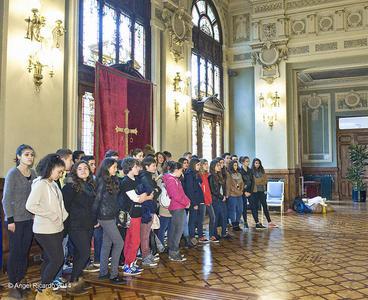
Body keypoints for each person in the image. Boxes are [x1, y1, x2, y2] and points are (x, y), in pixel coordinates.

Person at [26, 154, 68, 300]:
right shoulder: (40, 184)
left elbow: (59, 205)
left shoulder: (53, 184)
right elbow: (30, 205)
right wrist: (51, 215)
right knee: (57, 259)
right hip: (44, 230)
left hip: (56, 228)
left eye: (62, 172)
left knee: (50, 259)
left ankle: (45, 290)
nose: (61, 174)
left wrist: (63, 217)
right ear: (50, 169)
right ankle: (42, 292)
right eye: (59, 171)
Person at [2, 144, 37, 298]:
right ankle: (13, 285)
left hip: (29, 219)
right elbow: (6, 199)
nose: (30, 157)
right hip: (15, 220)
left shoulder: (34, 173)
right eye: (26, 154)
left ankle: (21, 280)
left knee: (24, 252)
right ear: (18, 157)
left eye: (31, 154)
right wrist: (10, 220)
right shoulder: (12, 174)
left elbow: (36, 196)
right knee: (15, 252)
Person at [62, 161, 96, 293]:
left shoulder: (90, 185)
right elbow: (65, 207)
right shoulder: (70, 187)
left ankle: (78, 279)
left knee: (79, 253)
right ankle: (73, 282)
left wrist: (94, 220)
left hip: (88, 224)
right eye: (80, 168)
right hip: (75, 225)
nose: (83, 170)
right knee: (85, 253)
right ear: (74, 171)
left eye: (86, 168)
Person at [93, 158, 125, 283]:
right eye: (114, 167)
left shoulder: (112, 180)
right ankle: (114, 274)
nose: (116, 170)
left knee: (107, 244)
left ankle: (103, 272)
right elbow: (96, 201)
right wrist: (95, 218)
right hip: (104, 217)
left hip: (111, 216)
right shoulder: (101, 182)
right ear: (107, 168)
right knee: (119, 243)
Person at [119, 158, 153, 275]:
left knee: (133, 240)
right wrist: (146, 196)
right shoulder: (126, 182)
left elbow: (148, 192)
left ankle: (130, 263)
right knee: (133, 240)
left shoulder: (136, 180)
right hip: (131, 214)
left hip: (138, 213)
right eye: (135, 167)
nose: (138, 168)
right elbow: (137, 199)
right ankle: (128, 264)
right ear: (129, 168)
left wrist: (145, 196)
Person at [163, 161, 190, 262]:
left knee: (175, 229)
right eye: (181, 170)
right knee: (177, 231)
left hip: (180, 206)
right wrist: (185, 203)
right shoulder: (171, 180)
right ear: (177, 170)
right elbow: (175, 195)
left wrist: (187, 201)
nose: (182, 173)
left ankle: (173, 251)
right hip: (177, 207)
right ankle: (174, 253)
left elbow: (181, 193)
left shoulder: (175, 179)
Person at [138, 156, 162, 267]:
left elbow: (158, 190)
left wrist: (155, 190)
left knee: (147, 233)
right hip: (146, 209)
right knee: (145, 234)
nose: (155, 167)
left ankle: (147, 255)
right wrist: (155, 190)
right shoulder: (144, 177)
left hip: (150, 207)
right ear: (146, 166)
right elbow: (151, 191)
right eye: (153, 165)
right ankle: (145, 257)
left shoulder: (149, 176)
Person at [250, 158, 278, 229]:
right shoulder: (251, 171)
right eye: (256, 163)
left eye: (258, 163)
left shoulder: (262, 171)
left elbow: (265, 181)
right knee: (255, 207)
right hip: (254, 192)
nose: (257, 164)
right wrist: (260, 180)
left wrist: (259, 181)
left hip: (262, 191)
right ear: (253, 164)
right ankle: (257, 222)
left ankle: (269, 222)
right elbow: (254, 181)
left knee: (265, 206)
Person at [183, 158, 205, 245]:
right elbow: (190, 190)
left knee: (198, 219)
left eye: (200, 165)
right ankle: (191, 237)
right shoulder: (189, 174)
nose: (199, 166)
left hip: (198, 199)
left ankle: (197, 236)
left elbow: (199, 185)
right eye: (198, 165)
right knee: (192, 220)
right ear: (193, 165)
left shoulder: (196, 174)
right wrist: (194, 203)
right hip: (193, 201)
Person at [209, 159, 230, 239]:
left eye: (219, 165)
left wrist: (224, 195)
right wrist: (222, 197)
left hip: (222, 199)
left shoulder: (219, 175)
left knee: (224, 216)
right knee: (216, 217)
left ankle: (223, 233)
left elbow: (223, 188)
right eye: (217, 165)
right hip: (216, 199)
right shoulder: (211, 177)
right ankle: (214, 234)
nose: (219, 167)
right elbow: (214, 190)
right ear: (213, 167)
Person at [199, 159, 218, 243]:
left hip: (209, 199)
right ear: (201, 165)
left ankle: (211, 235)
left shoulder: (208, 175)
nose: (207, 165)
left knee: (213, 217)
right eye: (205, 164)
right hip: (203, 200)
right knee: (201, 219)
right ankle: (200, 236)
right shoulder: (199, 176)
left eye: (207, 164)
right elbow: (202, 190)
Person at [226, 160, 244, 231]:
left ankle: (237, 223)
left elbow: (242, 183)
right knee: (232, 210)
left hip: (239, 194)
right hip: (232, 194)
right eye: (234, 165)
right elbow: (229, 185)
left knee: (240, 209)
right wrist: (238, 191)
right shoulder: (228, 174)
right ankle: (234, 224)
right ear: (231, 166)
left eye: (236, 165)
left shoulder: (239, 174)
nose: (235, 167)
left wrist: (241, 190)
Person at [239, 156, 254, 229]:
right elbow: (240, 183)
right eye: (246, 161)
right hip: (243, 192)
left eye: (248, 161)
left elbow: (252, 182)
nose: (248, 163)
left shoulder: (250, 170)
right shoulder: (240, 171)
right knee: (244, 207)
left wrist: (250, 192)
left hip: (250, 191)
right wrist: (244, 192)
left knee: (253, 206)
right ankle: (245, 222)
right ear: (242, 162)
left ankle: (256, 222)